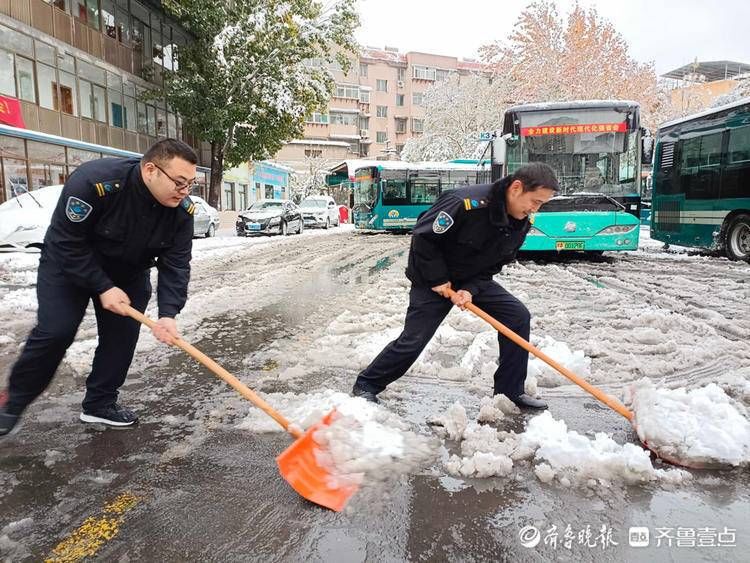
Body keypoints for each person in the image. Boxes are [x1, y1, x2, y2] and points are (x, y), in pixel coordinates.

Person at [0, 139, 198, 437]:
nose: (184, 191)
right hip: (69, 264)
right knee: (56, 330)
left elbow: (176, 265)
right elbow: (67, 242)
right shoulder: (95, 182)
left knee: (122, 337)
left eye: (190, 184)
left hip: (128, 271)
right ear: (150, 170)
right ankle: (12, 402)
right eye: (179, 183)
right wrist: (102, 286)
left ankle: (99, 403)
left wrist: (169, 313)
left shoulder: (182, 212)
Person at [351, 162, 559, 409]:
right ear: (516, 188)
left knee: (517, 316)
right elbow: (424, 237)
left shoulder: (521, 221)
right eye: (535, 201)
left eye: (541, 204)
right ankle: (367, 384)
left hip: (470, 278)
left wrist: (471, 289)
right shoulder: (464, 203)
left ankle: (509, 392)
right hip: (432, 279)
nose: (536, 209)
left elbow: (497, 262)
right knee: (414, 339)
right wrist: (438, 279)